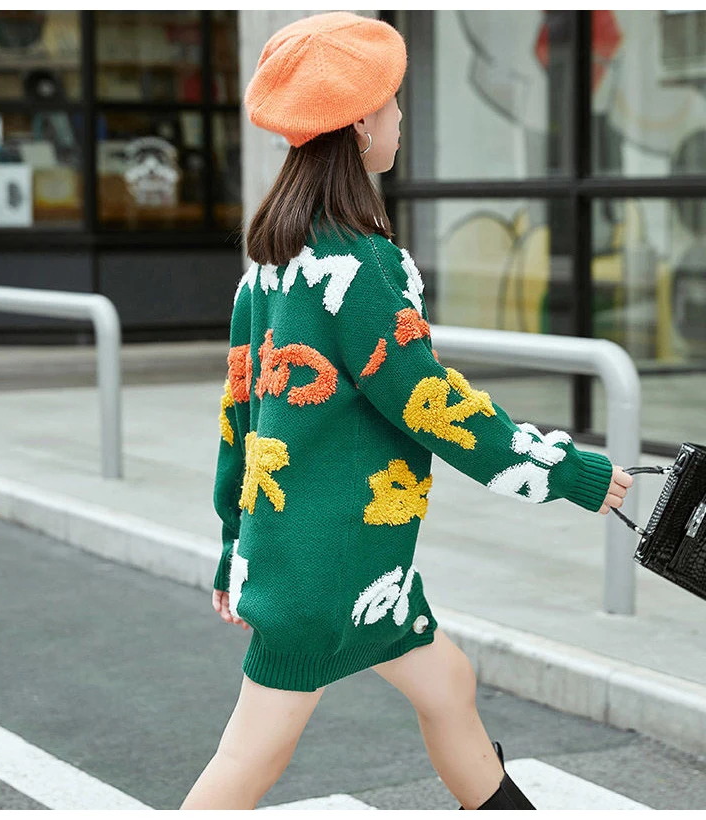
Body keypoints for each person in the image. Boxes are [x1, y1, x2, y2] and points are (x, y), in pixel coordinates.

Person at [180, 12, 633, 811]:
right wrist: (566, 471)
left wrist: (232, 548)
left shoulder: (275, 264)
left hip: (347, 562)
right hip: (327, 568)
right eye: (391, 101)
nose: (398, 117)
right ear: (359, 121)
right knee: (249, 758)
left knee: (448, 684)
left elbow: (239, 418)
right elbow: (431, 403)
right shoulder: (358, 268)